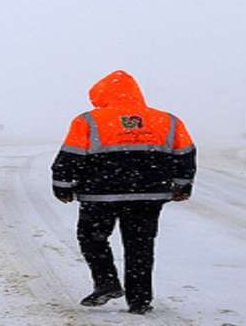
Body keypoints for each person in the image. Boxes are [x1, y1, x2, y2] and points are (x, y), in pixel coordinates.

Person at [51, 70, 196, 315]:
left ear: (101, 95)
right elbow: (185, 155)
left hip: (100, 195)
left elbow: (70, 157)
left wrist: (62, 187)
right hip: (148, 196)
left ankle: (106, 282)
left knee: (92, 238)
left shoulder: (88, 121)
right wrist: (182, 186)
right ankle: (140, 301)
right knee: (140, 246)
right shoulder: (168, 120)